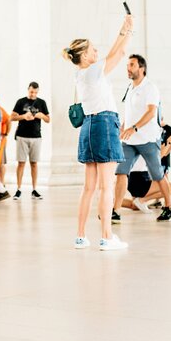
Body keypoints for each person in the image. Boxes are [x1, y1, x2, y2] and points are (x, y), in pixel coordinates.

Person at [62, 15, 132, 251]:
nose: (96, 52)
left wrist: (124, 33)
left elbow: (115, 54)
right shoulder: (92, 72)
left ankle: (81, 237)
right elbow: (117, 55)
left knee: (89, 188)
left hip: (89, 127)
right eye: (92, 50)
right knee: (107, 186)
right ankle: (107, 237)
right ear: (83, 55)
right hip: (104, 123)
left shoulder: (81, 74)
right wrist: (126, 33)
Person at [113, 55, 171, 222]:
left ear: (141, 68)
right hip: (129, 141)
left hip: (148, 139)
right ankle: (115, 211)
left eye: (132, 65)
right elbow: (131, 112)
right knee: (121, 172)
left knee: (158, 174)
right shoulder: (130, 87)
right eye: (127, 65)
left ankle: (169, 208)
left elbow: (151, 112)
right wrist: (124, 126)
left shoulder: (150, 88)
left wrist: (134, 128)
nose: (128, 68)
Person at [11, 82, 50, 200]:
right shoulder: (20, 101)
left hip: (36, 137)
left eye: (35, 92)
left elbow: (48, 119)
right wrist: (23, 116)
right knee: (21, 163)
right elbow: (11, 117)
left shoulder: (42, 102)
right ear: (28, 90)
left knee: (34, 163)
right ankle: (18, 189)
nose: (33, 94)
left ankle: (34, 189)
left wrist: (40, 115)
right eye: (31, 92)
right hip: (22, 136)